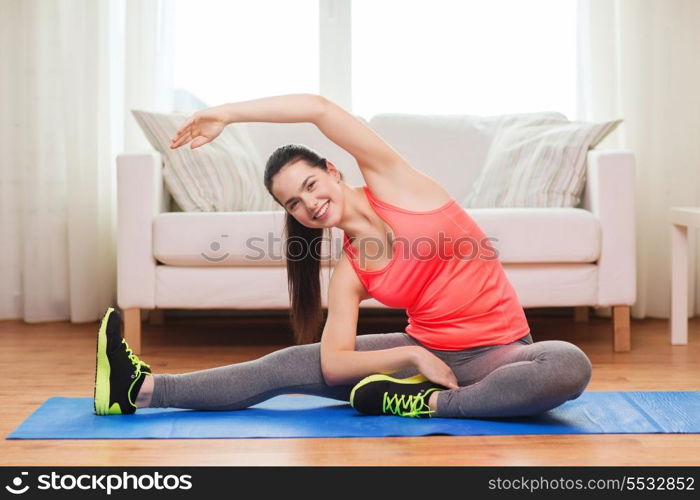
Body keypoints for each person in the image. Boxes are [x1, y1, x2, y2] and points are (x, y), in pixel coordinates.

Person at [93, 93, 592, 418]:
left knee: (567, 364)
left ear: (333, 170)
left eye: (310, 185)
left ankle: (432, 405)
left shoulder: (397, 183)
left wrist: (227, 113)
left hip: (504, 353)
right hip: (425, 357)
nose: (309, 203)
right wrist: (414, 354)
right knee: (286, 364)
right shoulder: (349, 268)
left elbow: (319, 109)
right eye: (294, 202)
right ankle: (137, 388)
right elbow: (334, 363)